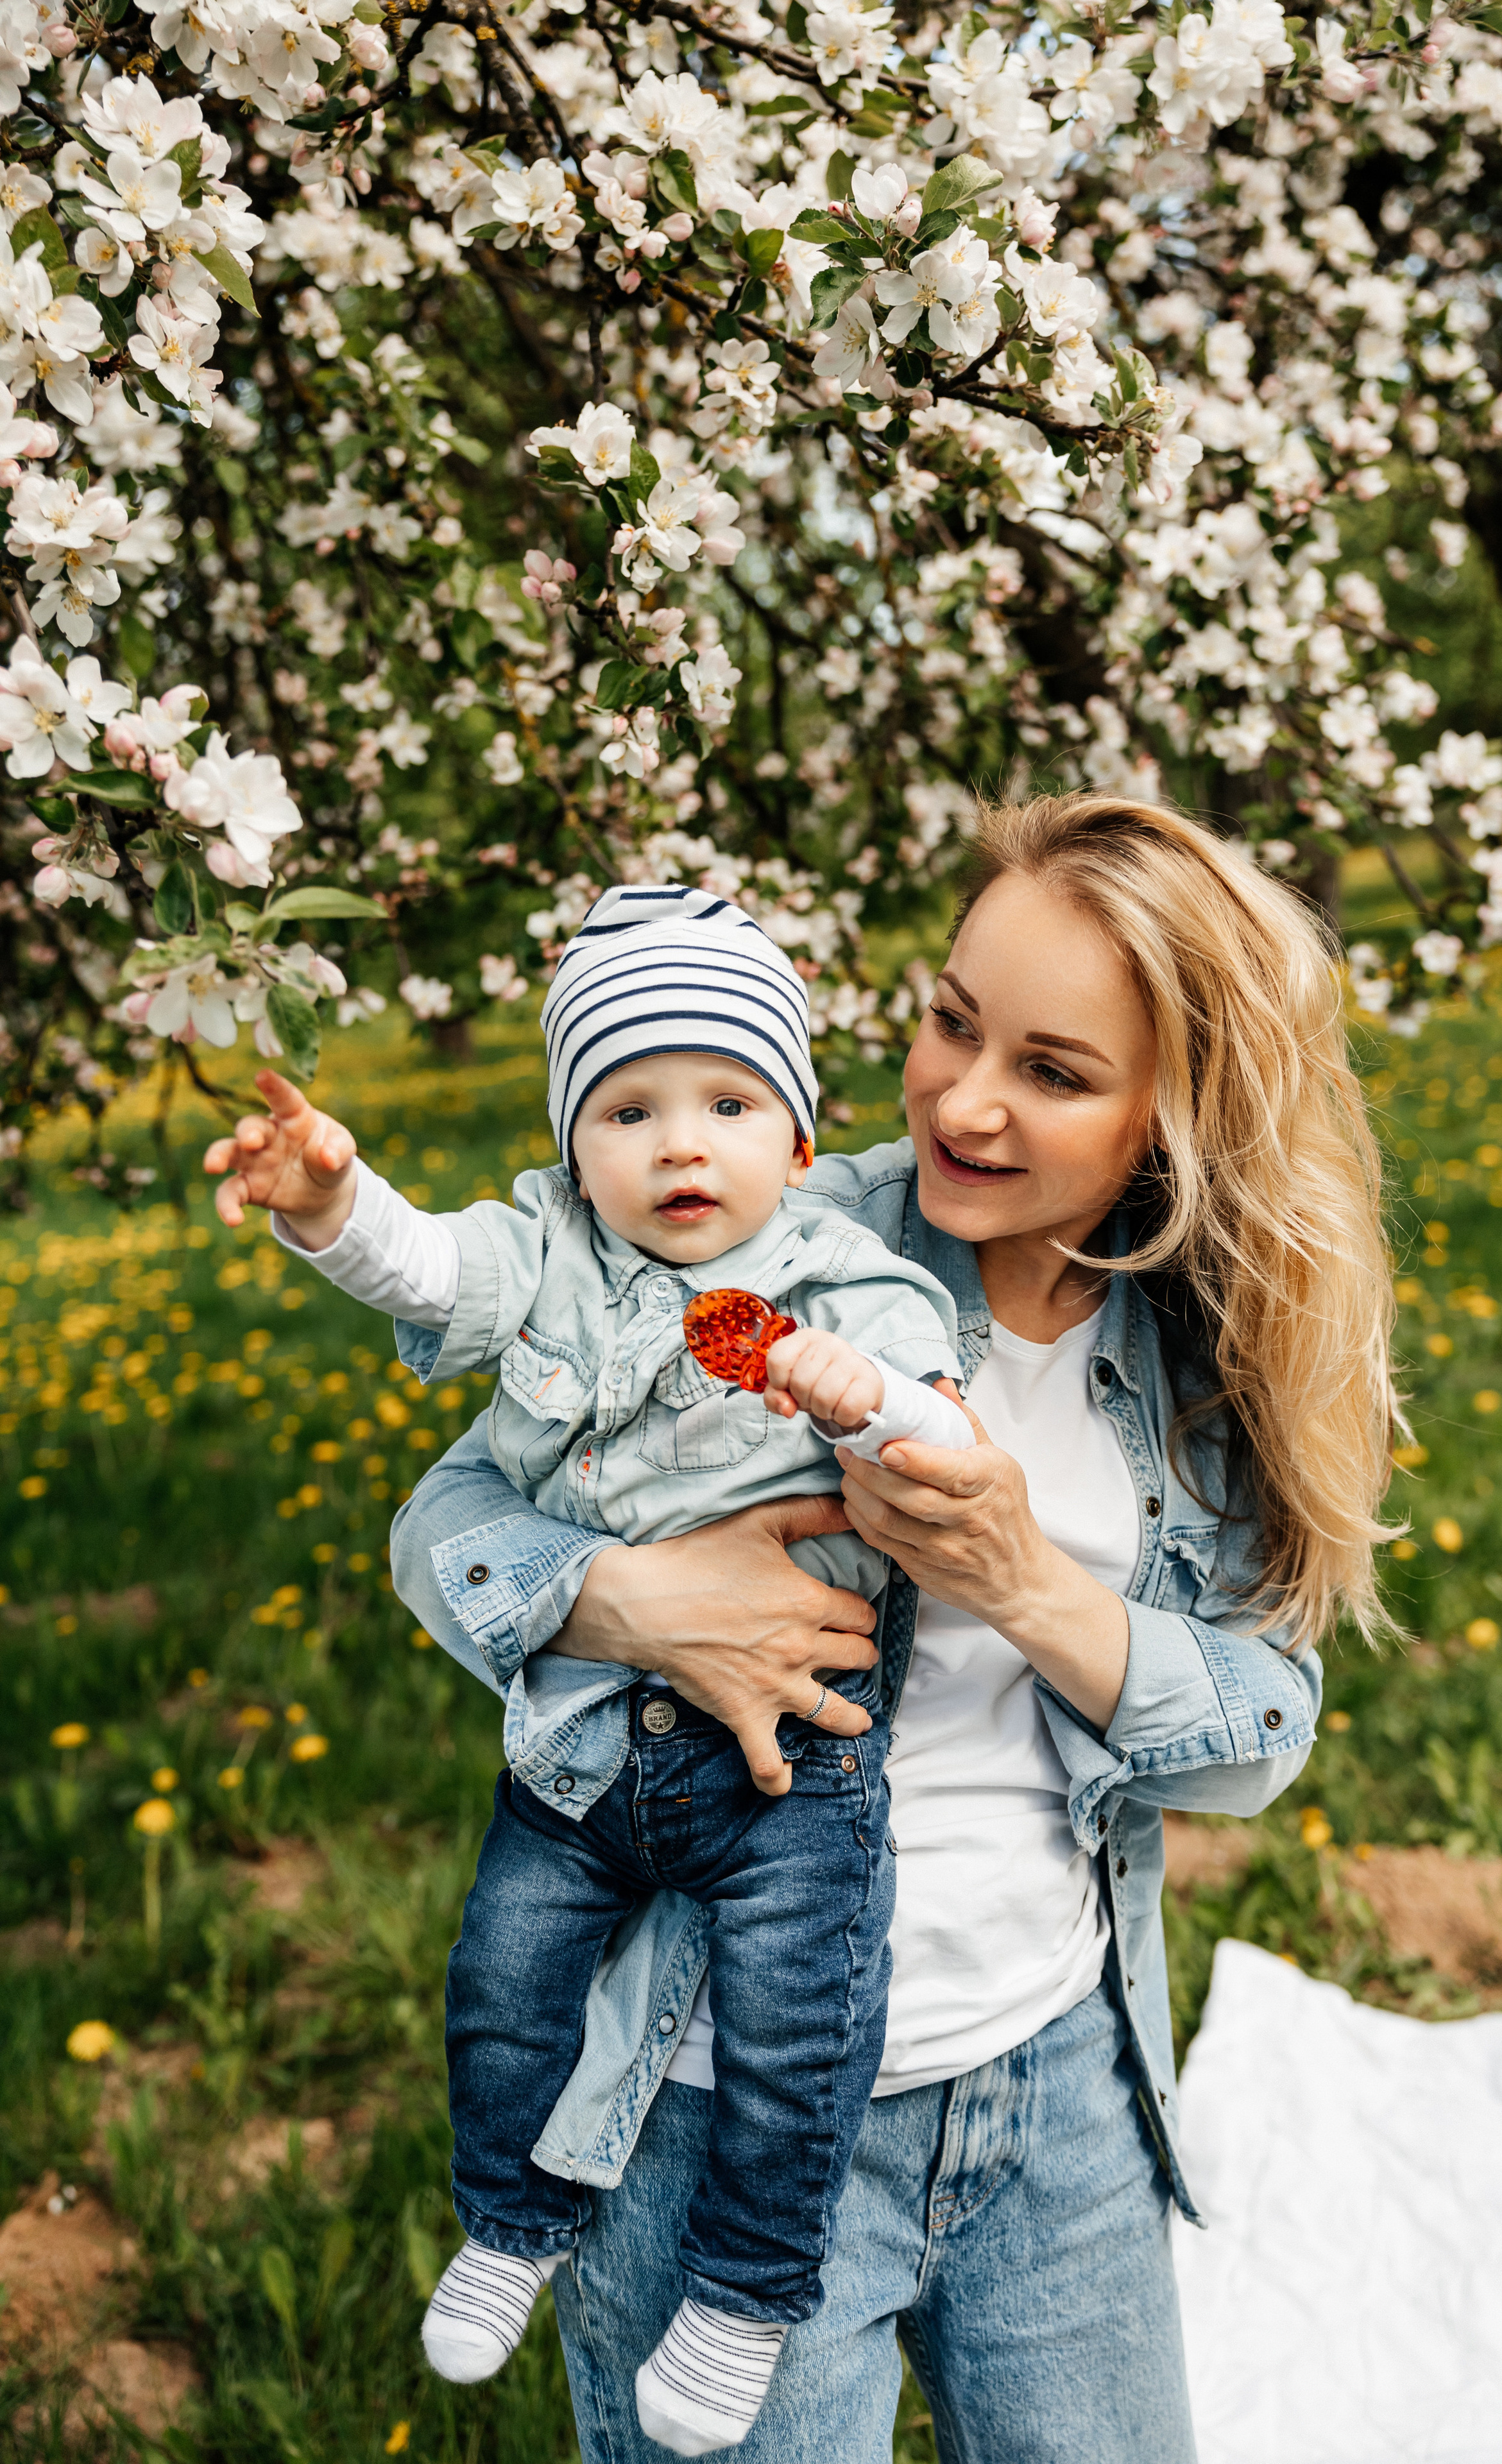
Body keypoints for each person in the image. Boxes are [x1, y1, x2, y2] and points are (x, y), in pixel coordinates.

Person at [391, 792, 1399, 2463]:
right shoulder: (766, 1249)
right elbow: (449, 1529)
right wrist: (639, 1602)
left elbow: (1256, 1742)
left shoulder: (1200, 1363)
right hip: (709, 2098)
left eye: (1054, 1071)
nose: (962, 1098)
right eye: (949, 1022)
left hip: (1054, 2079)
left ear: (1176, 1120)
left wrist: (1023, 1583)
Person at [201, 885, 975, 2456]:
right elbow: (423, 1271)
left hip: (792, 1763)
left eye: (726, 1103)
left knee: (798, 2026)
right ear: (573, 1150)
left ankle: (750, 2291)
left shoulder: (850, 1286)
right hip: (585, 1742)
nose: (680, 1146)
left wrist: (870, 1391)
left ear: (799, 1145)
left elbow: (956, 1448)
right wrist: (326, 1204)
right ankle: (511, 2221)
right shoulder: (547, 1253)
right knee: (500, 1981)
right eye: (627, 1111)